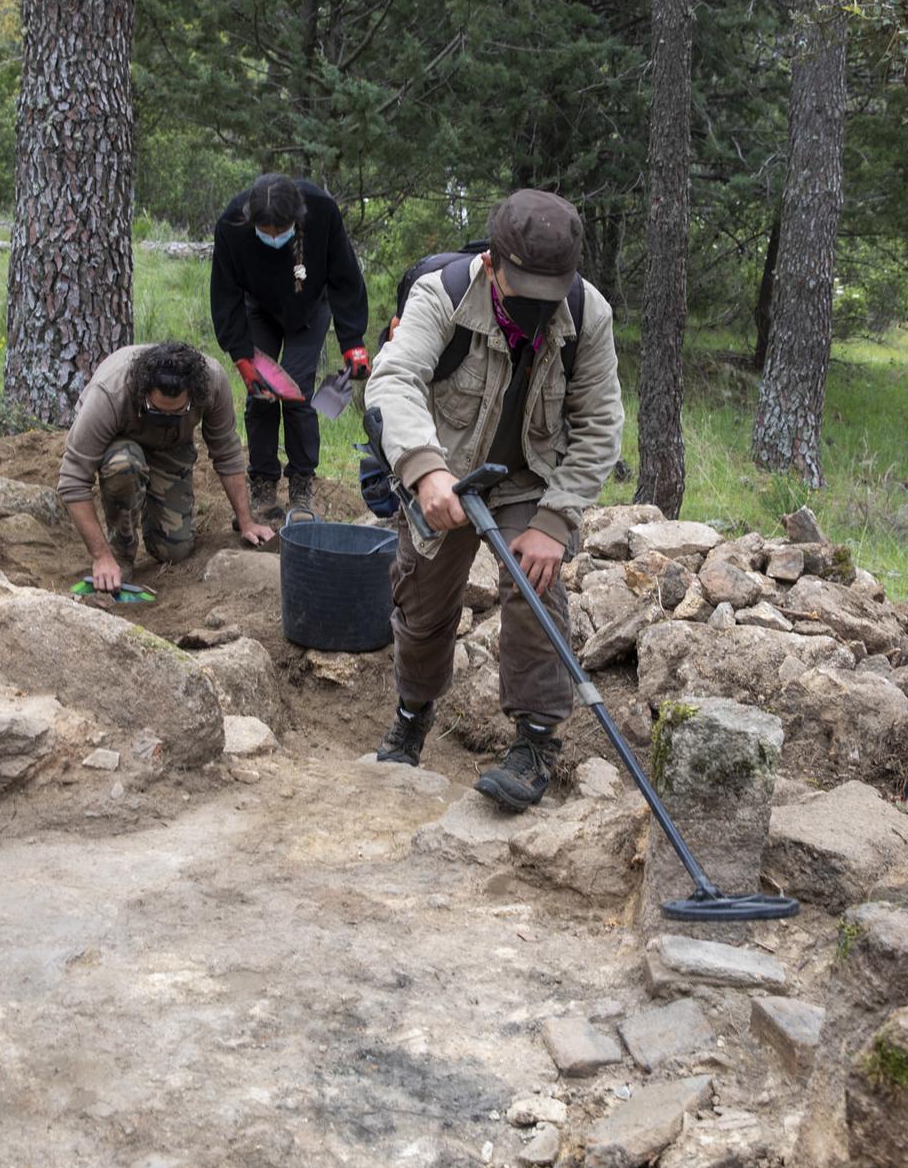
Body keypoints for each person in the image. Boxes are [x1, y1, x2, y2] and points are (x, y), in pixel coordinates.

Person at [364, 189, 624, 813]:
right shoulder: (442, 296)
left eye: (549, 289)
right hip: (446, 473)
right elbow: (394, 379)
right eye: (523, 286)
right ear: (492, 263)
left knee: (535, 589)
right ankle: (412, 717)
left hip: (528, 479)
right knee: (423, 610)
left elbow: (599, 424)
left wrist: (555, 522)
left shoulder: (589, 314)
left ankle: (535, 742)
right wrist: (425, 474)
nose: (537, 304)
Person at [209, 173, 371, 521]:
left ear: (295, 220)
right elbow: (226, 297)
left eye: (277, 231)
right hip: (259, 308)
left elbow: (344, 277)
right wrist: (242, 357)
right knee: (261, 395)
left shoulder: (322, 211)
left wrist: (353, 342)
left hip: (310, 307)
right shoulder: (231, 226)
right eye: (263, 230)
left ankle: (300, 486)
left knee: (297, 391)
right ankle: (263, 486)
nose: (271, 236)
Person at [57, 341, 275, 592]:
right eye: (157, 411)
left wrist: (246, 521)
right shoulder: (110, 393)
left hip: (172, 447)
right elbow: (73, 479)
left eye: (177, 412)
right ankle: (120, 549)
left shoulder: (213, 382)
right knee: (124, 465)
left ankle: (154, 511)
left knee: (175, 550)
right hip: (120, 445)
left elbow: (226, 452)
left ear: (194, 395)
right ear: (143, 393)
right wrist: (100, 556)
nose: (165, 418)